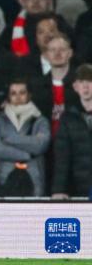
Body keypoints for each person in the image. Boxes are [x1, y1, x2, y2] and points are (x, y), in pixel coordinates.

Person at [0, 78, 50, 196]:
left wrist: (9, 139)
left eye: (22, 93)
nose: (18, 97)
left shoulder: (40, 120)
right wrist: (28, 154)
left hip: (35, 181)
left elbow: (40, 145)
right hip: (5, 180)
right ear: (8, 96)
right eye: (13, 93)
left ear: (29, 95)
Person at [51, 64, 92, 199]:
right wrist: (58, 189)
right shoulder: (68, 118)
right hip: (79, 188)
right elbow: (62, 158)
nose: (86, 86)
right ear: (75, 86)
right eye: (81, 81)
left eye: (90, 81)